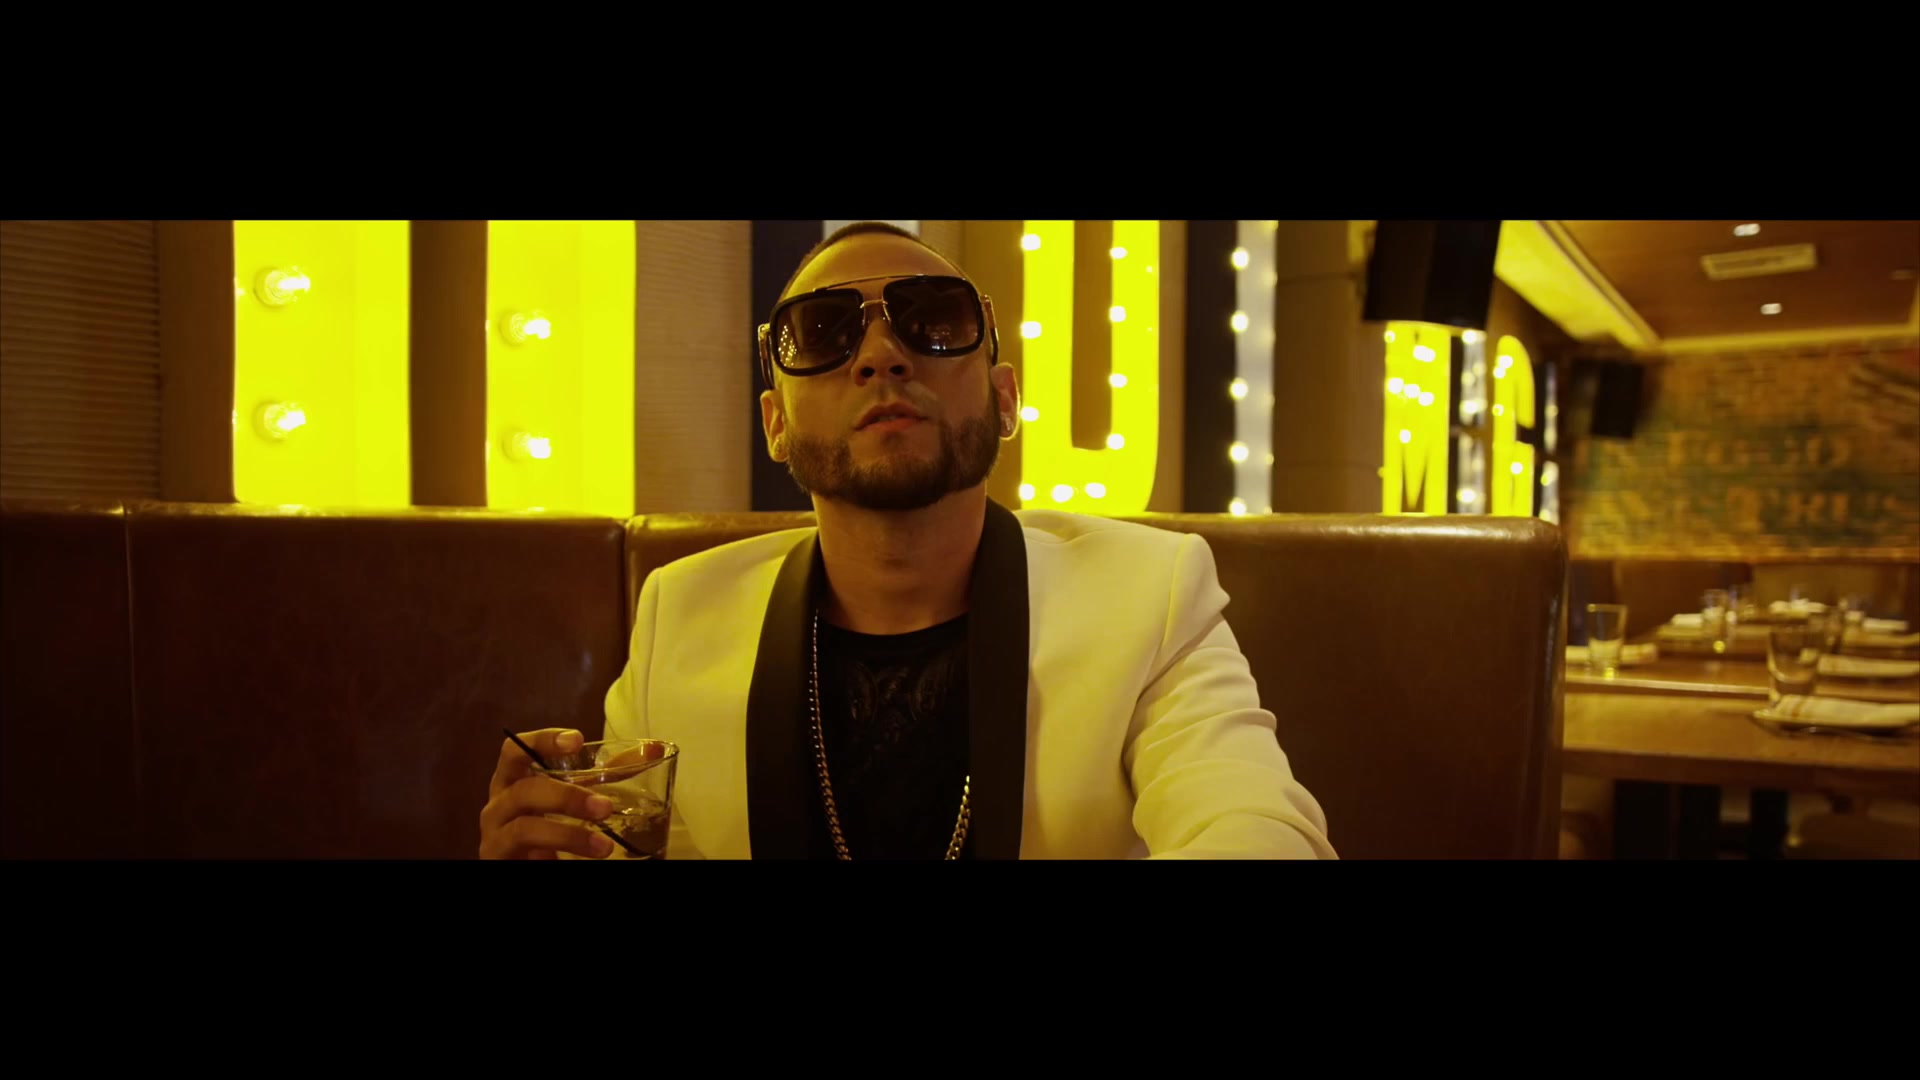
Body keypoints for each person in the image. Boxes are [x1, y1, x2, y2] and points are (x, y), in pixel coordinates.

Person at [481, 222, 1334, 860]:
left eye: (933, 321)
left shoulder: (1150, 593)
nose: (882, 354)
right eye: (824, 332)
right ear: (776, 425)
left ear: (1005, 399)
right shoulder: (679, 614)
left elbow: (1258, 827)